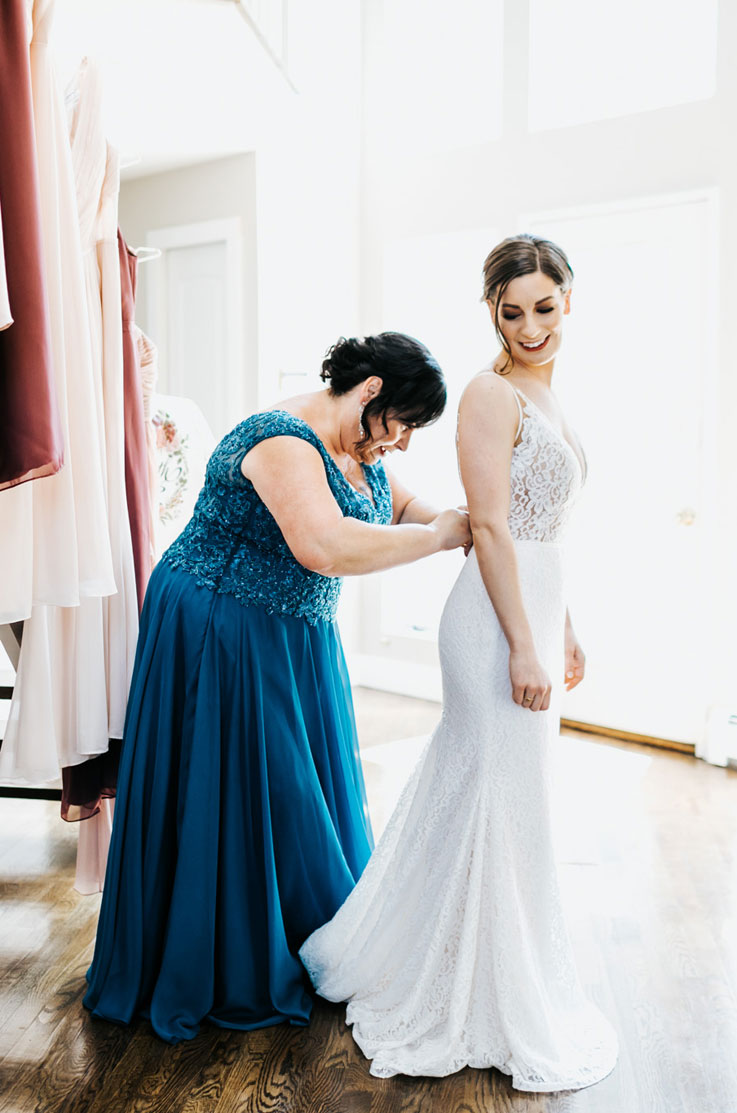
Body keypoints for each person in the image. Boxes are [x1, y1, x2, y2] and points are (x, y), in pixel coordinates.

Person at [83, 331, 470, 1043]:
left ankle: (316, 938)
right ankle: (227, 956)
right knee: (255, 791)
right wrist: (441, 539)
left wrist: (462, 522)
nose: (404, 444)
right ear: (371, 391)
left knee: (299, 794)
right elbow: (323, 545)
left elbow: (399, 504)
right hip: (221, 623)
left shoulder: (359, 448)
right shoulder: (281, 441)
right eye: (404, 425)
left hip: (293, 632)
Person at [300, 236, 619, 1091]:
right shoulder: (489, 393)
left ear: (567, 301)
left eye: (543, 308)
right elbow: (489, 526)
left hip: (533, 605)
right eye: (511, 312)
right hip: (490, 619)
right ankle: (458, 979)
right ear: (491, 312)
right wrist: (522, 639)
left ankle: (482, 954)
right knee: (488, 783)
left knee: (511, 793)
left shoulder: (553, 401)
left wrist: (565, 629)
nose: (529, 326)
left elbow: (542, 527)